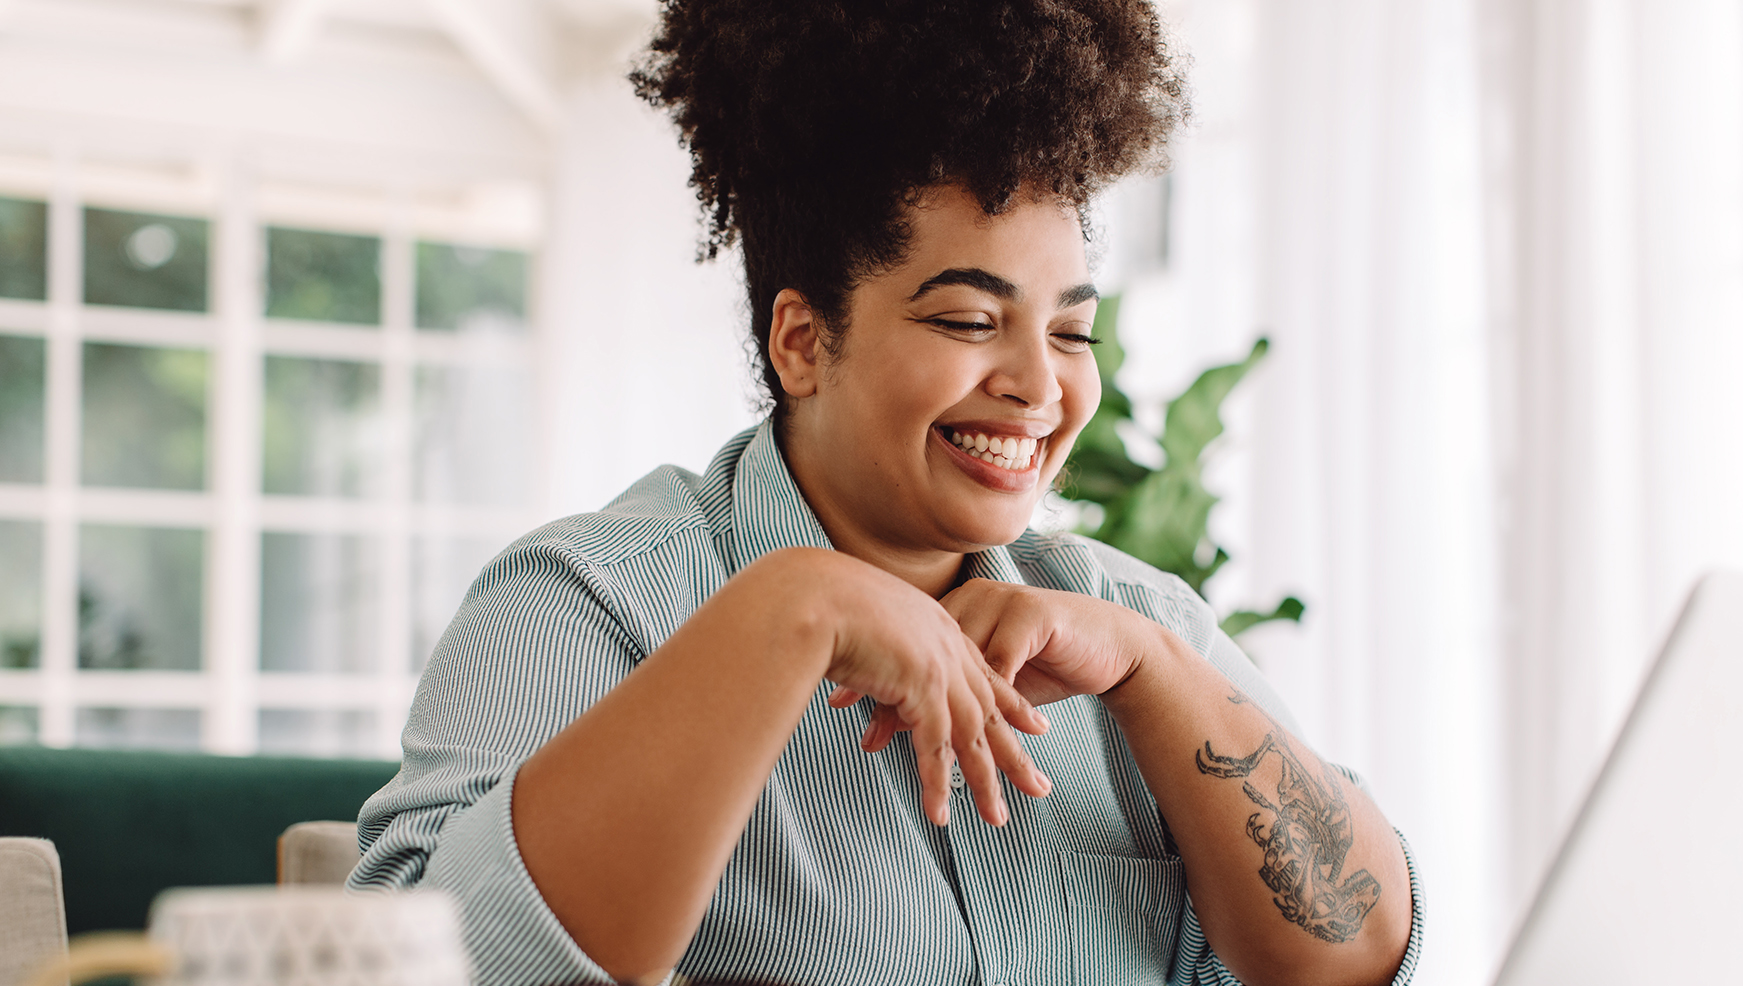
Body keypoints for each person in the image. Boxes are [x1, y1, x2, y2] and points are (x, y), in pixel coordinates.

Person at [353, 2, 1423, 985]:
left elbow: (1360, 958)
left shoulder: (1140, 630)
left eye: (1071, 331)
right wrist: (791, 611)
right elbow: (409, 961)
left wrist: (1154, 675)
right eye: (968, 319)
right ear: (804, 341)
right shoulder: (582, 603)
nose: (1040, 386)